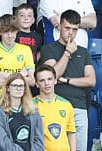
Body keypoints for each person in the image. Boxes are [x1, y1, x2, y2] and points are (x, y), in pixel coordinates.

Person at [38, 9, 95, 151]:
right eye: (67, 28)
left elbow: (91, 80)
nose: (71, 33)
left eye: (75, 29)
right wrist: (68, 52)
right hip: (55, 105)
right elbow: (53, 75)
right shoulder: (48, 49)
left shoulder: (83, 51)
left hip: (79, 107)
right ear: (60, 27)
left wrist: (67, 80)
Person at [0, 73, 44, 151]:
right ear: (8, 88)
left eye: (21, 86)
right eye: (15, 85)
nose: (18, 88)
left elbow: (39, 139)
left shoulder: (33, 111)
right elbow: (2, 142)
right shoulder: (0, 113)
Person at [32, 65, 75, 151]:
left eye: (49, 79)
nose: (46, 83)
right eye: (42, 80)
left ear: (55, 80)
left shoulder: (66, 104)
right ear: (37, 84)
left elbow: (71, 132)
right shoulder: (31, 105)